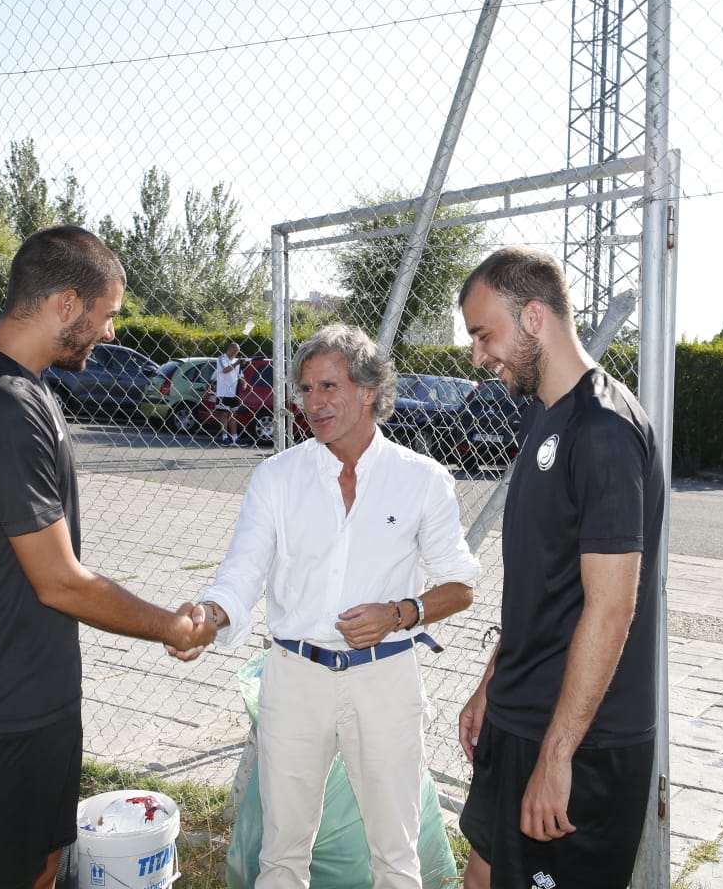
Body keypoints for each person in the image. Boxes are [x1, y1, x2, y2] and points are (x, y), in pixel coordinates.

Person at [0, 225, 210, 889]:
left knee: (43, 866)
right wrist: (171, 626)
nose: (108, 333)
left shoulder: (20, 388)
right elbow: (61, 581)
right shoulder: (0, 407)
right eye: (106, 316)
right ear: (67, 305)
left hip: (27, 706)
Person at [177, 323, 479, 889]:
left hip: (385, 678)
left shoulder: (421, 480)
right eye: (306, 389)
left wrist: (399, 613)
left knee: (396, 854)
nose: (314, 403)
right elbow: (241, 571)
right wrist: (209, 616)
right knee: (282, 853)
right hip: (294, 678)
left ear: (368, 390)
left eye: (329, 387)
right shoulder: (276, 477)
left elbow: (462, 584)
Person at [454, 245, 663, 889]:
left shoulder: (603, 429)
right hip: (521, 711)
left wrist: (558, 754)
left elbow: (612, 605)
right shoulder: (546, 415)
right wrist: (494, 681)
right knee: (483, 873)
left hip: (580, 742)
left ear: (535, 317)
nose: (478, 355)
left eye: (485, 334)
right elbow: (541, 583)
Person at [214, 340, 248, 446]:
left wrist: (243, 381)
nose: (235, 354)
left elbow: (239, 374)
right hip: (222, 392)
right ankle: (224, 437)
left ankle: (234, 437)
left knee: (233, 415)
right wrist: (237, 362)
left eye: (237, 352)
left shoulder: (236, 361)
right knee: (224, 414)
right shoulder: (221, 359)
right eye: (234, 351)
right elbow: (225, 370)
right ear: (229, 349)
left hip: (234, 392)